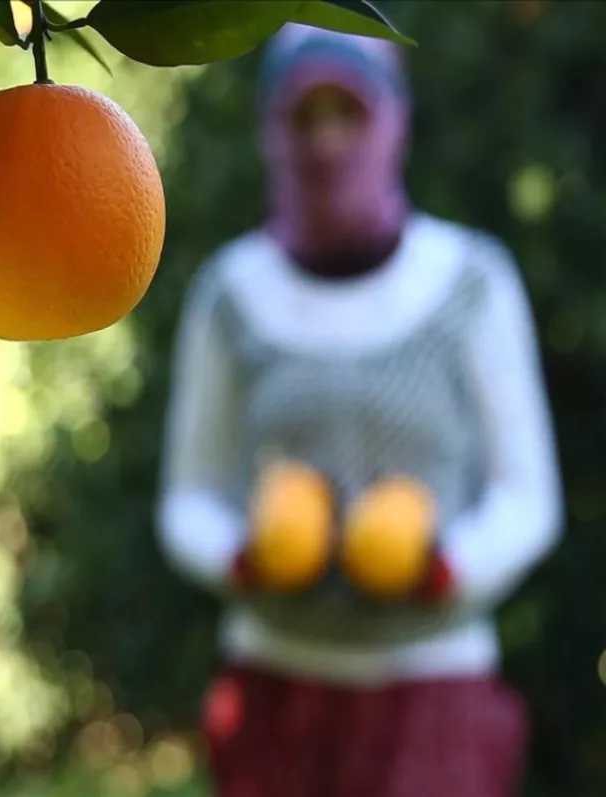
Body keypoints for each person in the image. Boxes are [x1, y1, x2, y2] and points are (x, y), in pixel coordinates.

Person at [156, 23, 563, 797]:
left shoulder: (471, 282)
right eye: (305, 117)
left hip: (434, 688)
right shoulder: (231, 294)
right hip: (274, 689)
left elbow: (527, 497)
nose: (328, 142)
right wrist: (242, 559)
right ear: (272, 128)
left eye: (349, 113)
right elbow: (188, 498)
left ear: (392, 119)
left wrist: (448, 569)